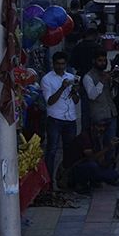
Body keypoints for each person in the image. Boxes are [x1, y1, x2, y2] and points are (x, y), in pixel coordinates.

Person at [40, 51, 80, 187]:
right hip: (55, 119)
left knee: (70, 151)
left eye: (63, 64)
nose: (60, 67)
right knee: (52, 150)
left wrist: (74, 90)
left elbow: (75, 101)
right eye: (58, 64)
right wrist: (62, 88)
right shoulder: (47, 79)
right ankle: (49, 181)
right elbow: (50, 101)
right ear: (53, 64)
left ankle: (66, 179)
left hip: (70, 119)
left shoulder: (71, 77)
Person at [83, 50, 117, 146]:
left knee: (111, 144)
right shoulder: (88, 77)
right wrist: (102, 81)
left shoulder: (106, 74)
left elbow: (112, 95)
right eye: (100, 60)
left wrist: (113, 82)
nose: (103, 63)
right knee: (99, 145)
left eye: (104, 60)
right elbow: (92, 95)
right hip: (99, 116)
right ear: (94, 61)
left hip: (111, 114)